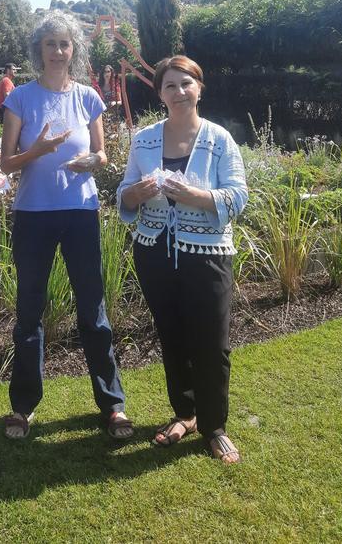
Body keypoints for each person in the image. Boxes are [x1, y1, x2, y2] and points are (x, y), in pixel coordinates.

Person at [0, 10, 133, 441]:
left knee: (93, 310)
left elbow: (103, 154)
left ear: (73, 49)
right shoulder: (20, 98)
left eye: (65, 44)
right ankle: (23, 408)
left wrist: (94, 161)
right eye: (50, 44)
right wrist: (37, 149)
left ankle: (112, 404)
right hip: (34, 215)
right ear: (38, 50)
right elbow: (6, 163)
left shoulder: (88, 97)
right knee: (29, 312)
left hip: (80, 211)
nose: (58, 51)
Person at [116, 55, 247, 463]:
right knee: (171, 337)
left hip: (206, 253)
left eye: (186, 83)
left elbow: (238, 196)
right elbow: (123, 193)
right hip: (154, 250)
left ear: (199, 88)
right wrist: (134, 194)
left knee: (211, 342)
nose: (179, 92)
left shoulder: (219, 139)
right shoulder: (145, 140)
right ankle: (185, 414)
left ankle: (214, 427)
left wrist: (196, 197)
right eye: (170, 85)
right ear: (160, 93)